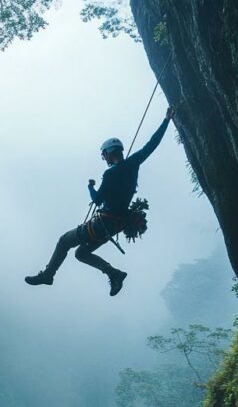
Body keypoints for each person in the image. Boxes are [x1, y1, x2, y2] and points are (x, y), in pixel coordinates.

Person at [25, 107, 176, 296]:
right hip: (116, 225)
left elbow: (97, 200)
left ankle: (48, 275)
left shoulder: (110, 173)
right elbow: (151, 145)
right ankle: (115, 274)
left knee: (64, 241)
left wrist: (90, 187)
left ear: (109, 153)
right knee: (80, 254)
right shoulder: (133, 163)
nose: (103, 158)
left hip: (102, 224)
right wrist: (166, 120)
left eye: (104, 155)